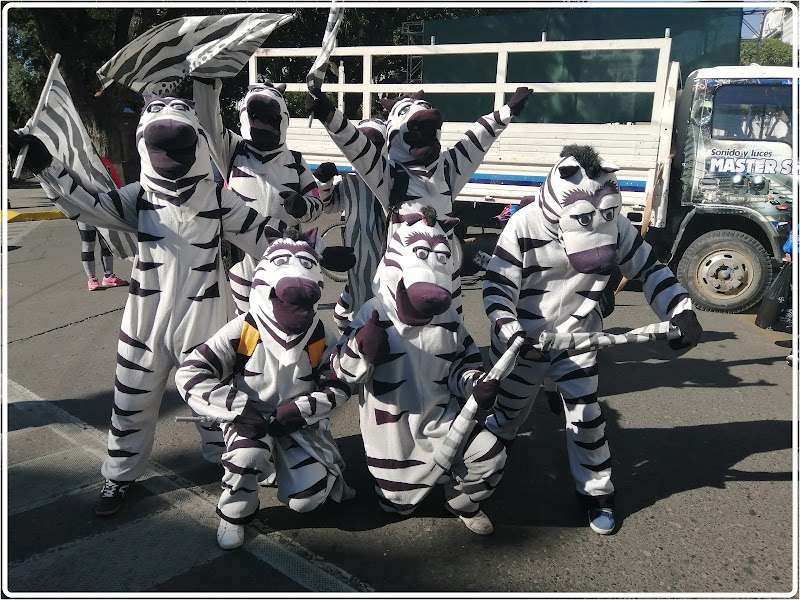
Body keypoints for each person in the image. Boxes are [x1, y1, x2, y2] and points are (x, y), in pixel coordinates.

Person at [8, 93, 290, 517]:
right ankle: (119, 474)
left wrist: (310, 256)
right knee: (131, 401)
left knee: (219, 398)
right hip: (144, 320)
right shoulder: (138, 197)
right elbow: (87, 205)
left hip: (207, 317)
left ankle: (234, 460)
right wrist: (44, 165)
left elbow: (264, 237)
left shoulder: (215, 197)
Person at [481, 145, 702, 535]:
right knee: (507, 415)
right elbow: (497, 288)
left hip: (580, 337)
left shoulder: (613, 222)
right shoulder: (523, 225)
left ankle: (597, 493)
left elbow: (649, 268)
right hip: (523, 343)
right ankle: (487, 464)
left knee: (587, 417)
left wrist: (680, 309)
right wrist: (511, 331)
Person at [176, 228, 354, 549]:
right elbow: (192, 373)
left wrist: (305, 410)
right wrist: (237, 409)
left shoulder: (319, 333)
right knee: (248, 453)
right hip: (250, 418)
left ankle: (282, 464)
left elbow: (339, 381)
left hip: (296, 422)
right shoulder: (244, 328)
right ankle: (235, 513)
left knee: (307, 501)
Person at [331, 207, 506, 535]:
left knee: (491, 456)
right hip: (393, 434)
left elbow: (460, 365)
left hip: (444, 420)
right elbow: (342, 373)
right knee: (397, 505)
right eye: (422, 254)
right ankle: (400, 492)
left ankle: (460, 501)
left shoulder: (449, 317)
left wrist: (474, 384)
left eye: (439, 256)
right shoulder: (374, 311)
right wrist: (361, 350)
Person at [306, 86, 532, 313]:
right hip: (404, 272)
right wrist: (329, 114)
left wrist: (506, 112)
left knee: (448, 331)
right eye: (414, 133)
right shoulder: (389, 175)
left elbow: (476, 141)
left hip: (445, 273)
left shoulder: (448, 168)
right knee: (399, 334)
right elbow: (355, 145)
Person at [193, 77, 323, 313]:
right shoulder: (232, 150)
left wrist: (303, 206)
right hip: (242, 256)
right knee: (246, 318)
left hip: (286, 253)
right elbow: (209, 125)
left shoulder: (295, 159)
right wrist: (207, 87)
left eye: (270, 118)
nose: (263, 124)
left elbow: (316, 202)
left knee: (285, 316)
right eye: (256, 117)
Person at [313, 117, 389, 333]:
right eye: (361, 143)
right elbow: (328, 206)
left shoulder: (393, 179)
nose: (365, 150)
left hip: (385, 259)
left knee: (375, 311)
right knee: (349, 312)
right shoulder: (351, 181)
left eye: (373, 143)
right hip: (358, 260)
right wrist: (324, 182)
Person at [77, 221, 129, 291]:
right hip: (84, 214)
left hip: (101, 214)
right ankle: (91, 279)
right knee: (88, 244)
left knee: (106, 242)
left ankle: (108, 276)